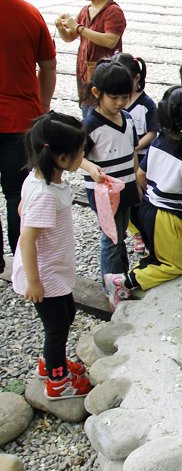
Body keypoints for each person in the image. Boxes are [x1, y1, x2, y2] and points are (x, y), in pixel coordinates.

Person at [103, 87, 182, 310]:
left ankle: (141, 268)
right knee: (174, 266)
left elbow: (140, 175)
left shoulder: (158, 142)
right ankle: (123, 282)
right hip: (167, 217)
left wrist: (149, 196)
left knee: (158, 252)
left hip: (147, 209)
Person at [12, 112, 91, 400]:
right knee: (57, 328)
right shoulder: (46, 193)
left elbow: (23, 210)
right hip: (44, 274)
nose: (83, 155)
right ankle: (57, 381)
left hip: (54, 269)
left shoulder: (39, 178)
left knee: (66, 314)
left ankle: (51, 364)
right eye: (80, 152)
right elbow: (28, 237)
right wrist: (33, 281)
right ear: (61, 158)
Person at [0, 0, 56, 273]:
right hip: (20, 118)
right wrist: (43, 107)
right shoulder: (27, 12)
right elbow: (48, 65)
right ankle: (22, 260)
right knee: (17, 194)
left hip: (18, 118)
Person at [80, 61, 140, 285]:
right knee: (111, 237)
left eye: (124, 97)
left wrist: (137, 179)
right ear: (97, 93)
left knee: (121, 232)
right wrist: (90, 168)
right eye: (113, 97)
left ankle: (120, 277)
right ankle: (111, 284)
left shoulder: (127, 119)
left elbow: (132, 151)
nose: (120, 103)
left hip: (127, 185)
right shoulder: (91, 126)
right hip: (105, 192)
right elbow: (75, 157)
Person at [55, 0, 126, 114]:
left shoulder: (113, 11)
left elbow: (110, 41)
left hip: (105, 79)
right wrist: (61, 28)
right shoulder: (85, 10)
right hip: (85, 80)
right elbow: (70, 36)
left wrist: (78, 28)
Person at [114, 52, 158, 254]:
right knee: (129, 198)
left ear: (137, 78)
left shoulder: (146, 104)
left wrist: (134, 146)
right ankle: (136, 232)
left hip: (141, 158)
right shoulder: (116, 105)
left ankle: (146, 230)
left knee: (142, 196)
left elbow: (152, 132)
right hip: (123, 159)